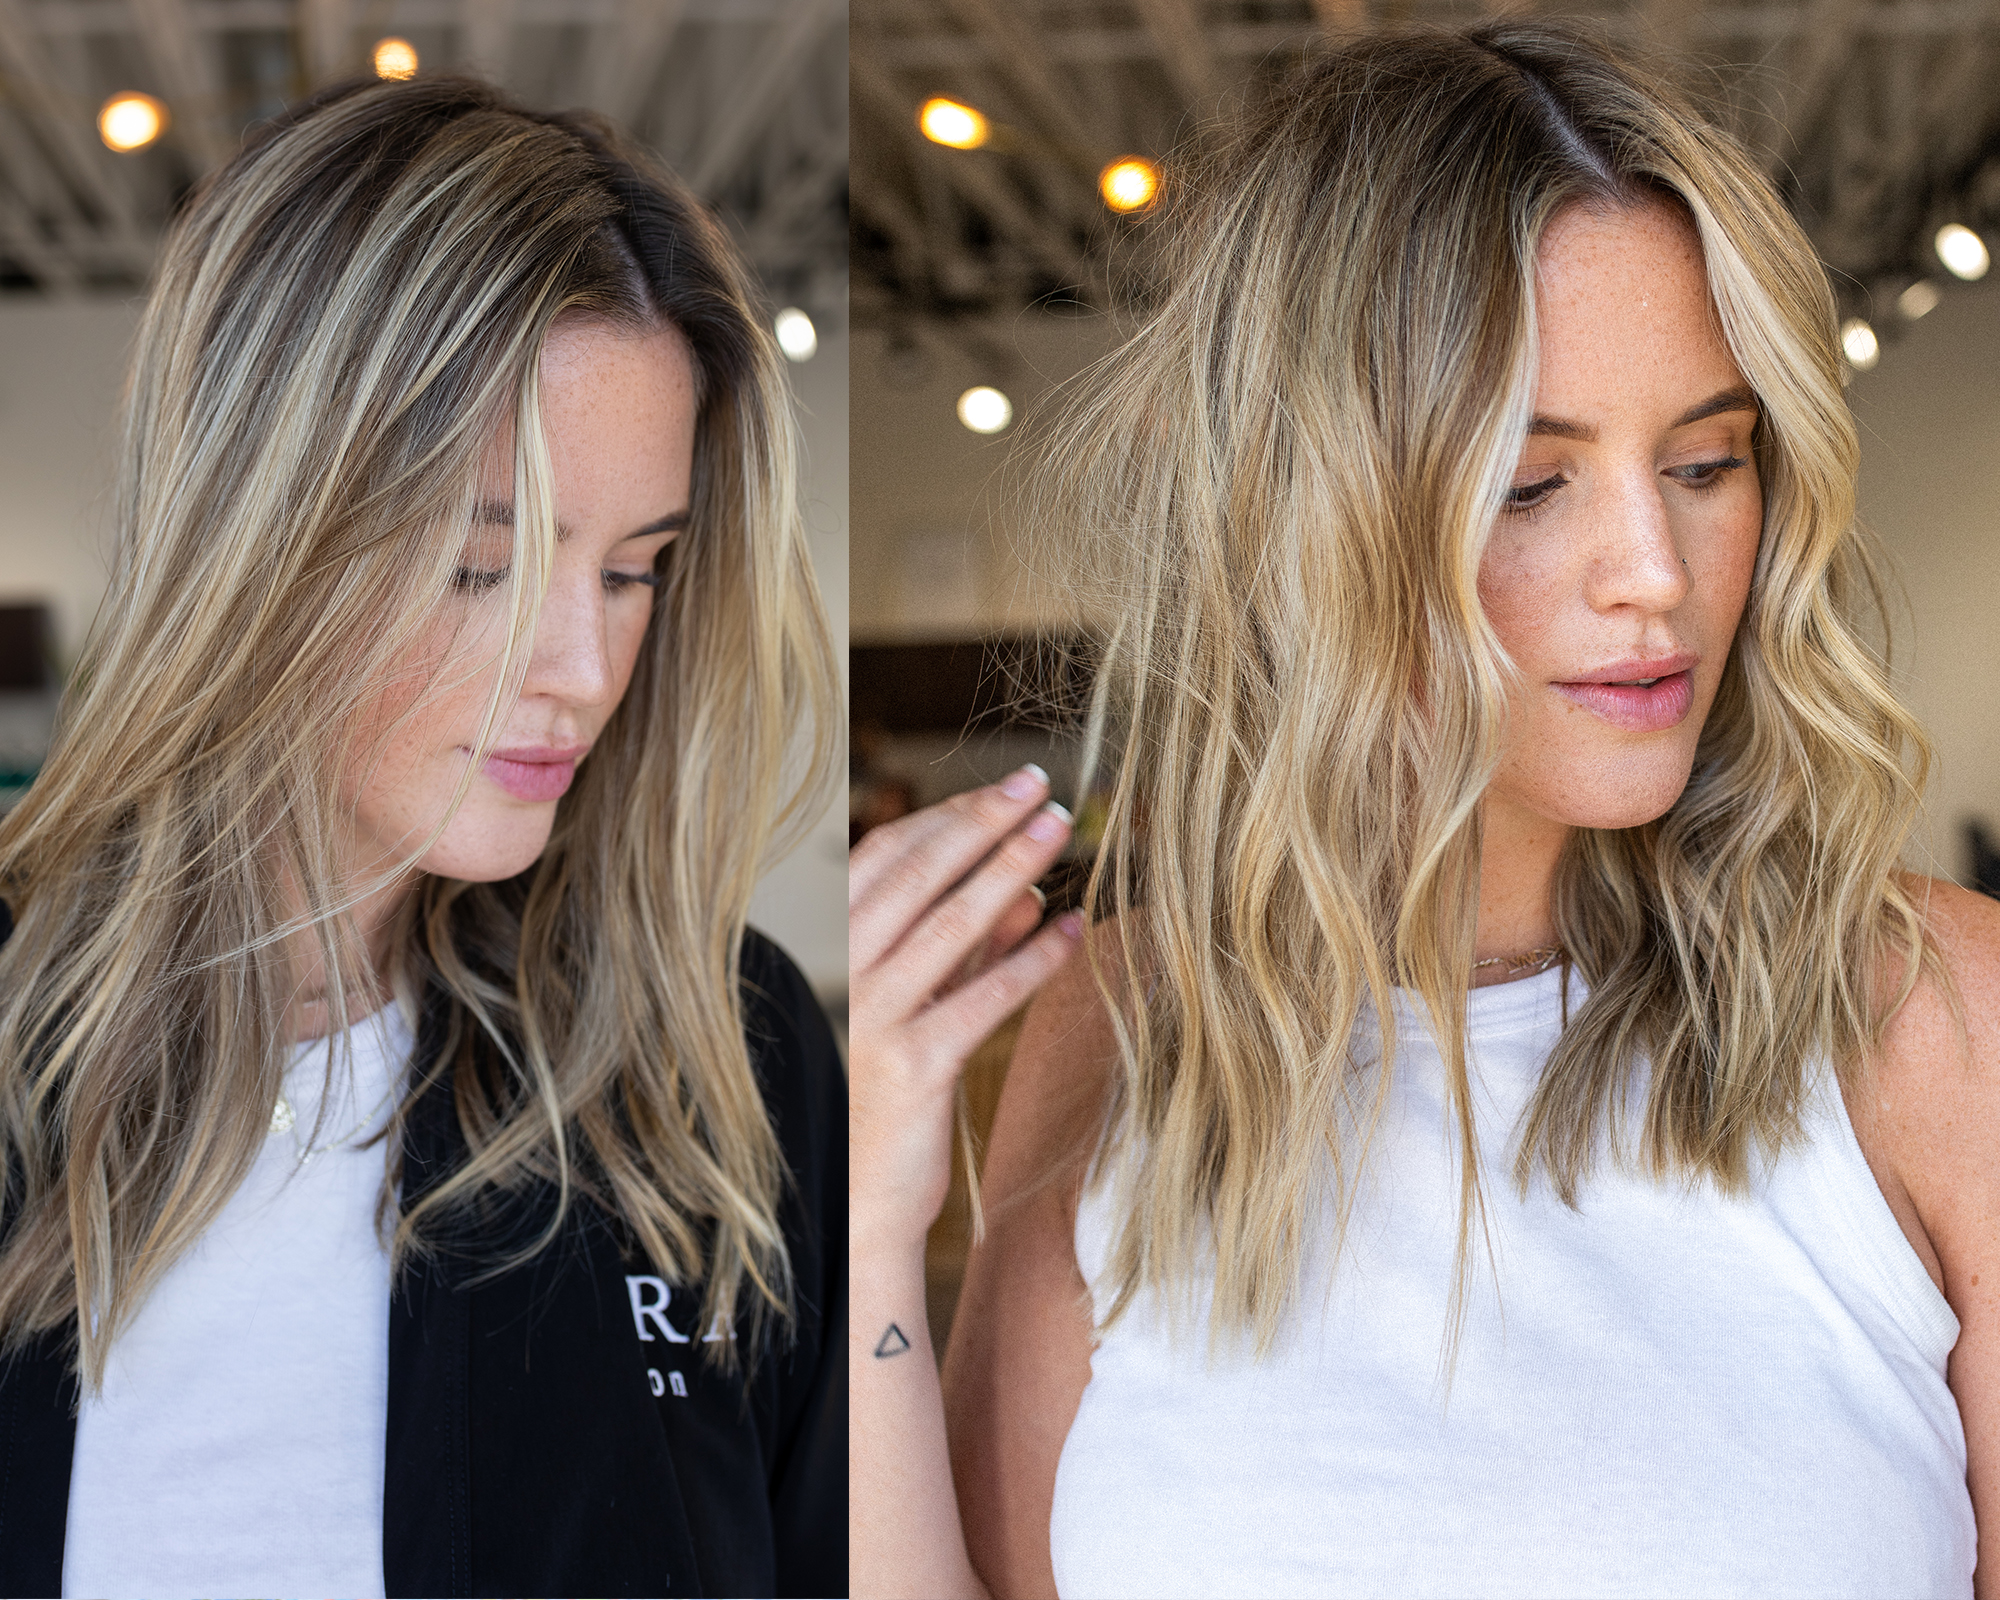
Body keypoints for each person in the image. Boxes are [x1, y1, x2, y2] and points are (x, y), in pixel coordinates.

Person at [851, 21, 1998, 1599]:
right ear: (1301, 522)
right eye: (1529, 485)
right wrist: (869, 1231)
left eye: (1707, 462)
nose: (1654, 572)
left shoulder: (1936, 1022)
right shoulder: (1127, 1029)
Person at [0, 74, 844, 1598]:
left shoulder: (724, 1051)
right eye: (480, 567)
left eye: (634, 572)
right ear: (251, 536)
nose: (580, 671)